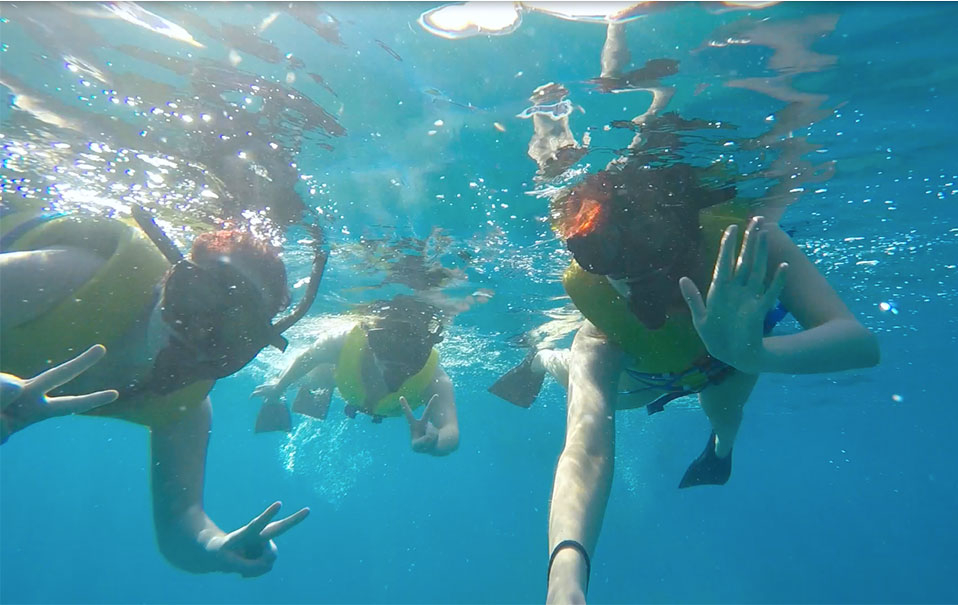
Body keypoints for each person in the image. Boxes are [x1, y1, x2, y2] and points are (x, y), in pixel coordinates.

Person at [489, 22, 881, 603]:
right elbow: (587, 447)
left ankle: (718, 452)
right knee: (575, 371)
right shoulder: (602, 329)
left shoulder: (753, 241)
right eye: (602, 259)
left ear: (686, 231)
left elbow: (858, 343)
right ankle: (541, 356)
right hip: (638, 376)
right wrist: (566, 579)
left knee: (726, 411)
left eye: (647, 251)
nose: (628, 280)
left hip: (729, 357)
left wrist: (752, 350)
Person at [0, 202, 326, 576]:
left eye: (232, 330)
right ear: (170, 277)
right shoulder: (70, 275)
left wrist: (215, 547)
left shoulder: (185, 407)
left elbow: (182, 523)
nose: (199, 331)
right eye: (197, 298)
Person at [251, 295, 460, 457]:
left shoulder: (434, 377)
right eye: (385, 343)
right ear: (370, 336)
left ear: (428, 347)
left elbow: (450, 430)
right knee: (315, 375)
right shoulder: (342, 341)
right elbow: (308, 358)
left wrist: (433, 444)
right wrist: (279, 387)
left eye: (411, 349)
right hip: (338, 377)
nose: (396, 358)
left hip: (366, 398)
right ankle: (315, 389)